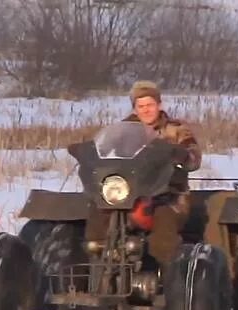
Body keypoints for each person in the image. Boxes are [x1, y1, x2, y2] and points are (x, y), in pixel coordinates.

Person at [86, 81, 202, 271]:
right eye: (141, 106)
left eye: (150, 105)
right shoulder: (123, 130)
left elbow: (194, 159)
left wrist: (182, 155)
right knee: (97, 210)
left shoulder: (177, 129)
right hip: (127, 195)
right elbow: (106, 151)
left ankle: (169, 277)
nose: (146, 110)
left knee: (164, 226)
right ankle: (97, 263)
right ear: (135, 108)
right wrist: (93, 155)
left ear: (159, 105)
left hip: (168, 196)